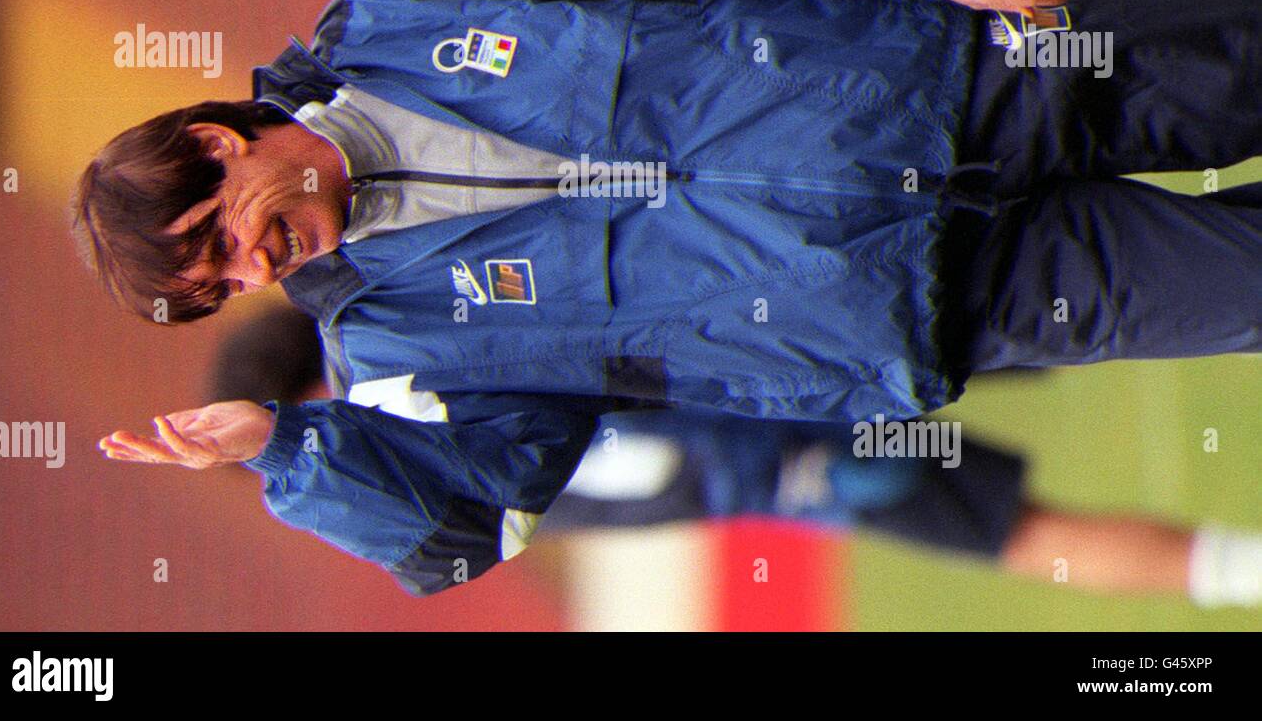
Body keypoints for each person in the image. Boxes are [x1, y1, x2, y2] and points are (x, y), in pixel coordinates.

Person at [84, 0, 1260, 593]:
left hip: (963, 71)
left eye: (222, 243)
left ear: (213, 145)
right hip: (946, 303)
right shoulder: (392, 349)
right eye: (223, 294)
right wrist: (289, 453)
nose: (254, 273)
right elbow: (468, 532)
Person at [208, 306, 1262, 608]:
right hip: (801, 379)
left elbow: (626, 461)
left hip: (795, 427)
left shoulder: (431, 449)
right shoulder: (432, 358)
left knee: (1061, 346)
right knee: (1069, 326)